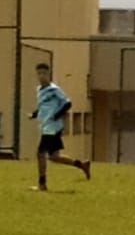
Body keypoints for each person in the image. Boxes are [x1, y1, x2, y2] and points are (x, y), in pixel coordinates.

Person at [28, 63, 91, 191]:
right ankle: (82, 164)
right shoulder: (40, 90)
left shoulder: (54, 89)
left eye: (44, 73)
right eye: (39, 73)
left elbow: (67, 104)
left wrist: (56, 116)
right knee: (54, 157)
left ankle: (42, 184)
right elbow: (43, 107)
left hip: (53, 127)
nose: (41, 76)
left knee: (40, 153)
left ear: (49, 74)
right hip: (46, 126)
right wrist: (34, 114)